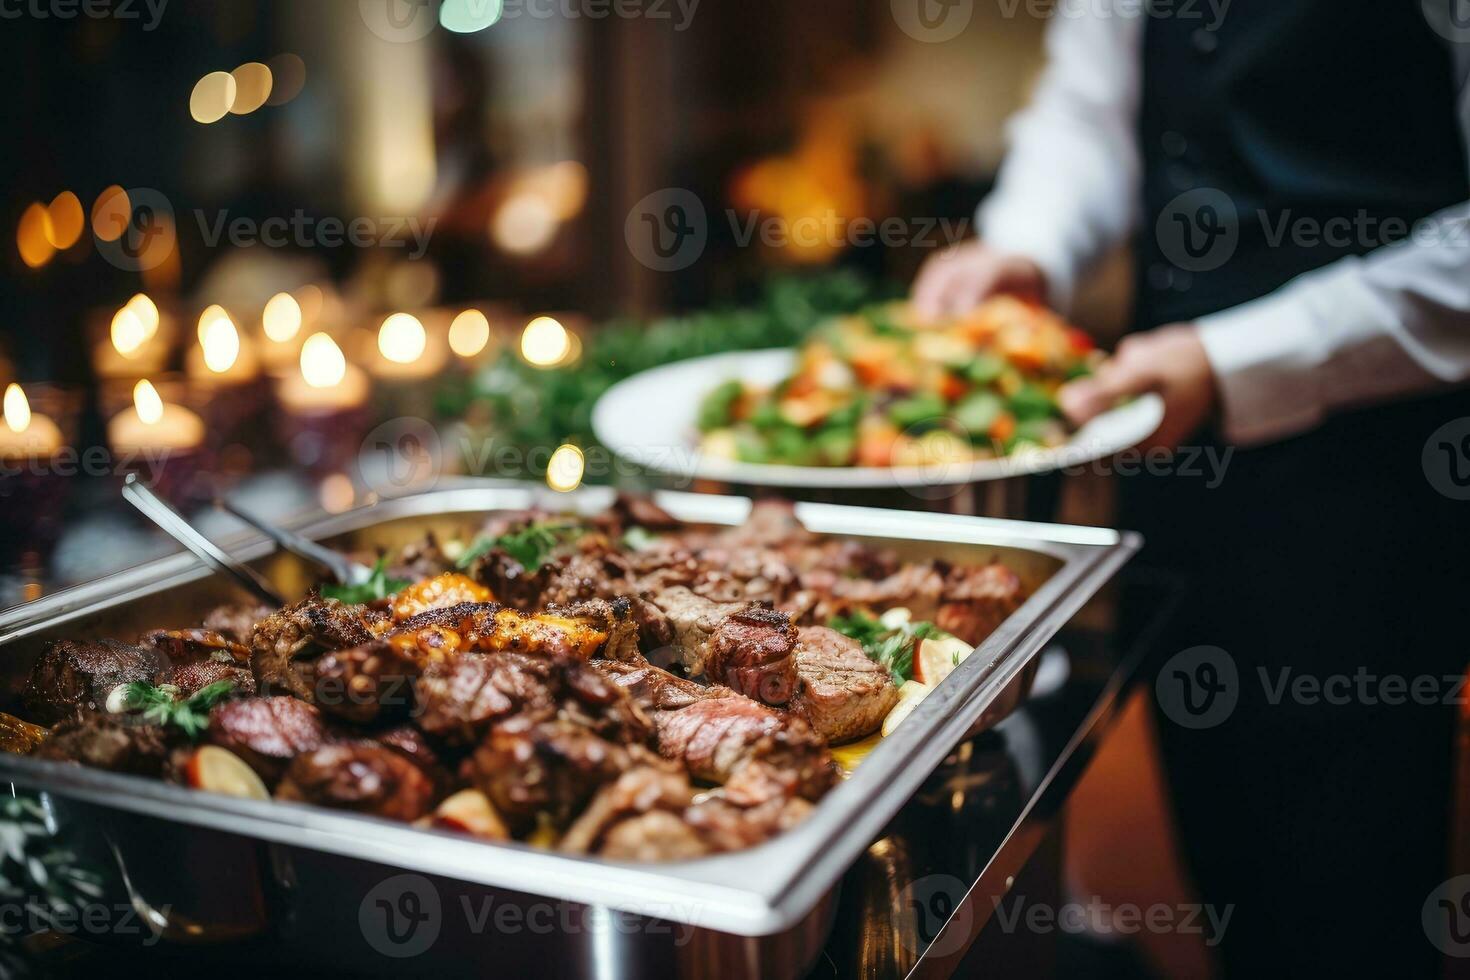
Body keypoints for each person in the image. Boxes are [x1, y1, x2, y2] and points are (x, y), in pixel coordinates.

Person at [912, 2, 1470, 975]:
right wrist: (1025, 246)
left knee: (1354, 910)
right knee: (1229, 877)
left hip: (1378, 492)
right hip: (1177, 482)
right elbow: (1087, 112)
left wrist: (1231, 357)